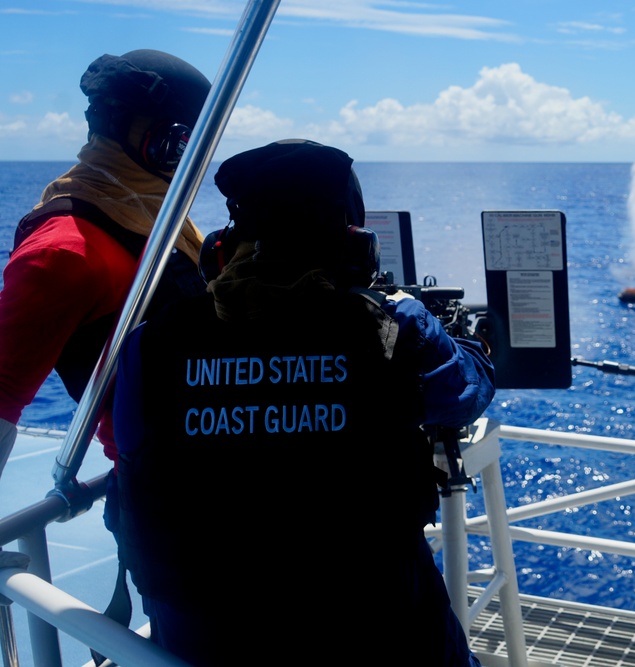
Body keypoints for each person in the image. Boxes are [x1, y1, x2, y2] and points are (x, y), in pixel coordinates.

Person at [112, 139, 495, 665]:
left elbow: (133, 447)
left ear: (223, 246)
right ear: (356, 245)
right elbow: (461, 398)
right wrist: (472, 346)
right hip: (364, 626)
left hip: (203, 637)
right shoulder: (390, 324)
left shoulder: (150, 343)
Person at [0, 49, 210, 475]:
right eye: (195, 139)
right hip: (167, 499)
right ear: (167, 143)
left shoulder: (155, 216)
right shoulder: (63, 254)